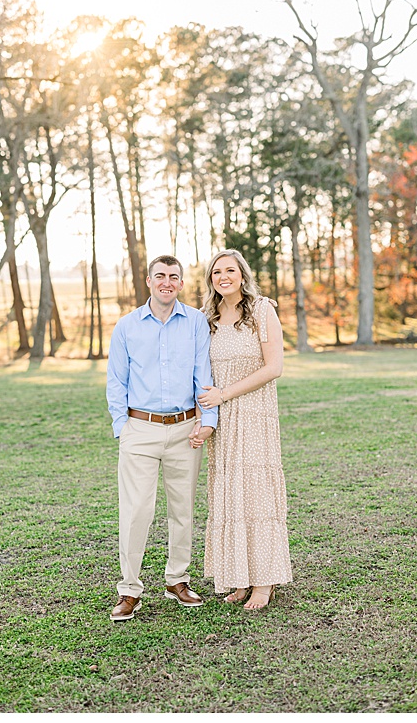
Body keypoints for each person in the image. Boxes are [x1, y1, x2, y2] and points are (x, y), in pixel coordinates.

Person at [106, 255, 218, 621]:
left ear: (181, 283)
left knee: (182, 509)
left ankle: (177, 580)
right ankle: (129, 589)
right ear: (149, 281)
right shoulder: (127, 326)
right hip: (139, 429)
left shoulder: (197, 323)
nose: (167, 282)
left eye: (174, 276)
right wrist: (122, 426)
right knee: (137, 510)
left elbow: (204, 374)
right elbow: (116, 382)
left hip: (186, 429)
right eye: (160, 276)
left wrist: (208, 420)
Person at [194, 249, 292, 612]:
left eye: (230, 270)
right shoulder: (206, 319)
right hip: (221, 421)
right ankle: (239, 577)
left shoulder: (262, 310)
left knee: (256, 494)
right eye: (217, 271)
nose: (223, 276)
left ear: (242, 274)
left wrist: (225, 394)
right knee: (229, 495)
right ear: (210, 279)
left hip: (254, 414)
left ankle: (264, 581)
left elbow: (275, 367)